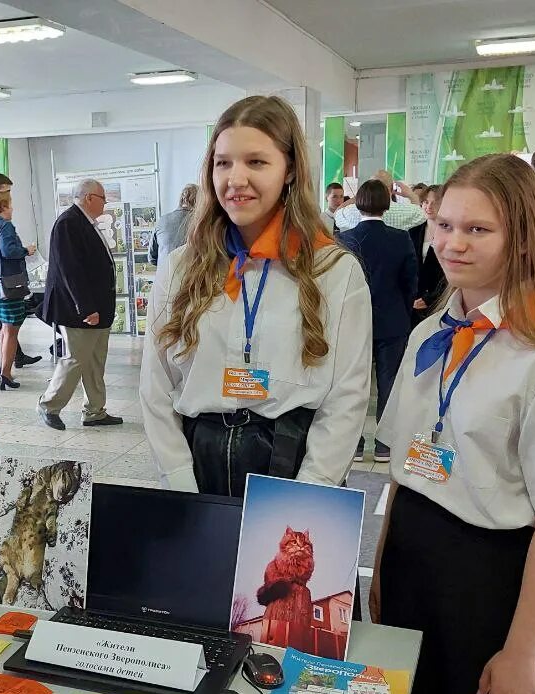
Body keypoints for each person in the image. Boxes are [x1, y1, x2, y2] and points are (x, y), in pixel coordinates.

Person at [370, 153, 535, 694]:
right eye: (445, 224)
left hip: (496, 580)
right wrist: (382, 572)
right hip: (415, 559)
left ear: (523, 238)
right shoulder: (431, 333)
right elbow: (405, 474)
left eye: (478, 230)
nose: (454, 243)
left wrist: (524, 652)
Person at [140, 94, 371, 496]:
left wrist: (311, 490)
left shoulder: (333, 270)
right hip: (198, 461)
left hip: (293, 461)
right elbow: (156, 384)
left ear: (290, 170)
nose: (236, 179)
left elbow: (347, 396)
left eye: (257, 162)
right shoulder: (181, 266)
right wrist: (178, 479)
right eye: (223, 162)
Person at [337, 179, 417, 463]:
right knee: (389, 382)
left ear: (358, 203)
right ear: (387, 203)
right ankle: (384, 445)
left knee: (355, 383)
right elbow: (410, 282)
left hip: (353, 322)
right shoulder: (400, 238)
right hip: (393, 320)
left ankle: (355, 445)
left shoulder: (346, 239)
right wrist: (404, 310)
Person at [37, 179, 122, 431]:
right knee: (75, 359)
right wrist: (85, 308)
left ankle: (95, 411)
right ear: (88, 198)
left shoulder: (85, 222)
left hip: (98, 309)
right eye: (103, 198)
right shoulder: (68, 223)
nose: (105, 203)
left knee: (95, 361)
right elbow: (69, 270)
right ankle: (49, 405)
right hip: (80, 311)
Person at [0, 173, 40, 373]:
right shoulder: (3, 225)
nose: (12, 206)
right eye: (9, 196)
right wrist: (25, 250)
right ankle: (4, 373)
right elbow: (7, 251)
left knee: (5, 327)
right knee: (9, 329)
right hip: (4, 283)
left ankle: (3, 369)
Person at [335, 170, 426, 233]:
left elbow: (336, 215)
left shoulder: (352, 211)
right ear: (391, 188)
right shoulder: (404, 212)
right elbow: (422, 215)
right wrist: (411, 195)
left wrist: (358, 197)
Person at [409, 184, 445, 325]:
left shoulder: (449, 234)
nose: (429, 206)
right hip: (413, 301)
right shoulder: (413, 232)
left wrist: (430, 298)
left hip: (438, 301)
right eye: (425, 202)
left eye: (435, 203)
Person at [150, 183, 198, 265]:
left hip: (164, 275)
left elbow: (152, 258)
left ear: (181, 199)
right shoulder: (201, 223)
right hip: (191, 276)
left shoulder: (162, 221)